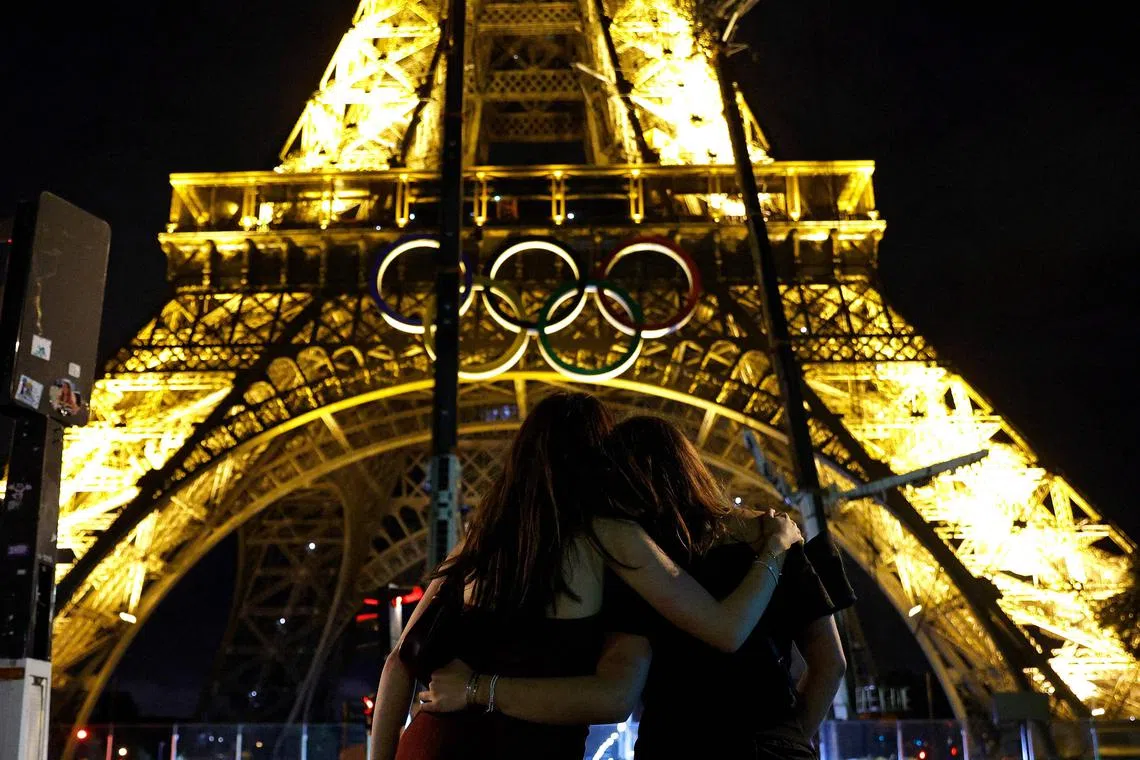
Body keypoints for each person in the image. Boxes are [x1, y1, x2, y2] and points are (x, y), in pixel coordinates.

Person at [370, 393, 802, 760]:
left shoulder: (485, 534)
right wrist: (775, 548)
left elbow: (398, 662)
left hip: (430, 742)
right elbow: (725, 630)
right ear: (601, 458)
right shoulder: (611, 535)